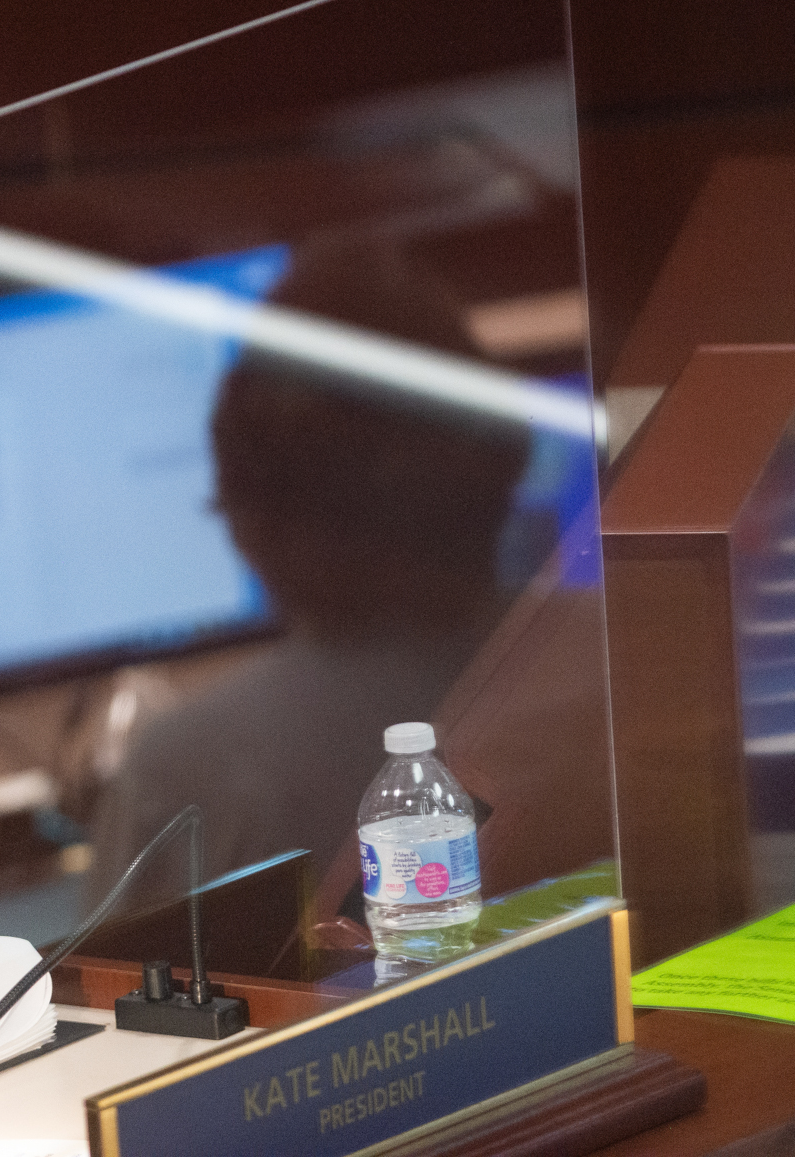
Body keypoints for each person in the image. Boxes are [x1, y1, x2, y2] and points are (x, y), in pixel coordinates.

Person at [85, 237, 538, 916]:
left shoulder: (190, 772)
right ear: (495, 454)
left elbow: (100, 1004)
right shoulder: (611, 666)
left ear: (248, 505)